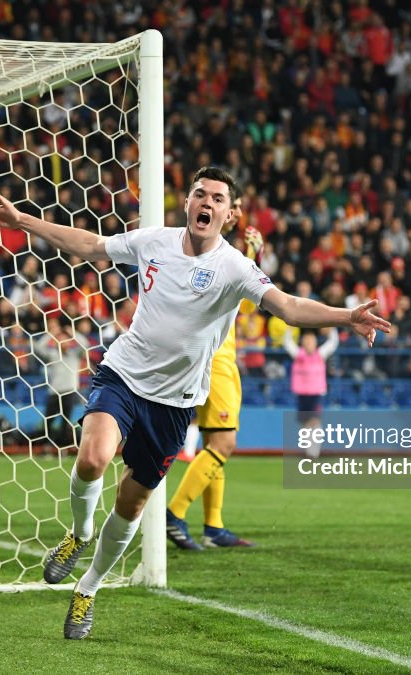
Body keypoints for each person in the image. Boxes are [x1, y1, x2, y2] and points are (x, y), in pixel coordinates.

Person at [0, 166, 390, 639]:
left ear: (229, 215)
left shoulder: (235, 266)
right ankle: (80, 533)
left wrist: (346, 315)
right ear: (188, 202)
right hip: (124, 375)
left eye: (217, 198)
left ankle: (89, 587)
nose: (205, 203)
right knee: (92, 458)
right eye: (199, 194)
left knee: (132, 500)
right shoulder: (155, 241)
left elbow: (289, 308)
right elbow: (89, 244)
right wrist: (21, 220)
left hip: (174, 403)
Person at [165, 201, 263, 551]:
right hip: (216, 356)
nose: (235, 211)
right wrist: (252, 255)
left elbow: (245, 303)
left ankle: (214, 526)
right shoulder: (219, 256)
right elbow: (246, 298)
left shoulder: (212, 253)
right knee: (224, 443)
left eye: (235, 205)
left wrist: (252, 256)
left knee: (212, 443)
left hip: (208, 353)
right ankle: (174, 515)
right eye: (227, 204)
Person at [282, 326, 339, 458]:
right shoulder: (298, 355)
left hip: (315, 393)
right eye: (306, 341)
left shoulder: (320, 354)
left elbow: (333, 343)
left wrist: (331, 330)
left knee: (314, 421)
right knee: (305, 423)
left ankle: (315, 451)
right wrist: (289, 330)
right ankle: (309, 451)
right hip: (302, 394)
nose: (308, 344)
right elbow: (287, 343)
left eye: (311, 341)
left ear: (315, 343)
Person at [32, 318, 88, 452]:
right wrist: (51, 334)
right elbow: (37, 348)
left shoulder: (75, 355)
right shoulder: (52, 355)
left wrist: (73, 333)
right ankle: (45, 447)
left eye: (66, 339)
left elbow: (86, 344)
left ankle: (62, 449)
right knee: (48, 421)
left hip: (69, 392)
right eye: (60, 339)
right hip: (54, 392)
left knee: (65, 422)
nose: (63, 341)